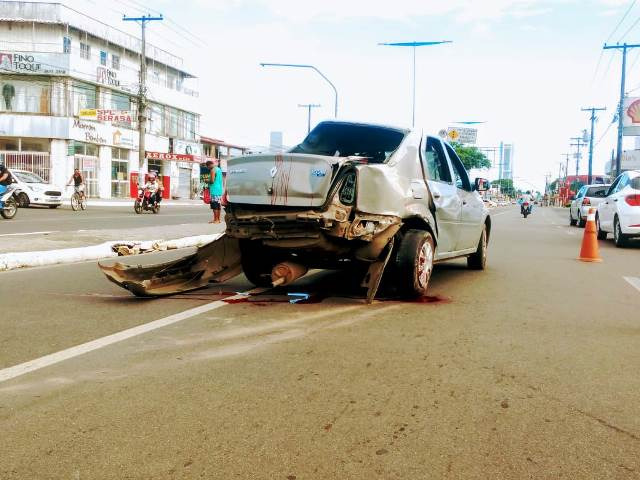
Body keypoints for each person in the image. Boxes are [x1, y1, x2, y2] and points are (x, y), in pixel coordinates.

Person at [207, 159, 224, 224]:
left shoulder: (213, 170)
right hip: (219, 190)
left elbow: (212, 181)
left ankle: (216, 220)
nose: (208, 168)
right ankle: (218, 219)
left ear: (209, 165)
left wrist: (207, 181)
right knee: (218, 205)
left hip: (214, 190)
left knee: (215, 206)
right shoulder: (219, 169)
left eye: (208, 167)